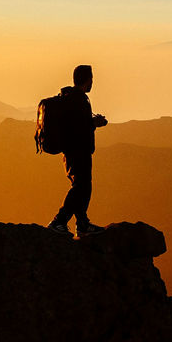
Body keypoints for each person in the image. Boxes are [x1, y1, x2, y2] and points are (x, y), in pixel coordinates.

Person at [46, 64, 108, 236]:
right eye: (91, 79)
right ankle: (59, 221)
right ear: (87, 80)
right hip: (78, 151)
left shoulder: (71, 98)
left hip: (73, 151)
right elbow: (78, 127)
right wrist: (95, 123)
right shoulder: (77, 100)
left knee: (82, 187)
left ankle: (82, 223)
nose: (92, 83)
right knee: (81, 187)